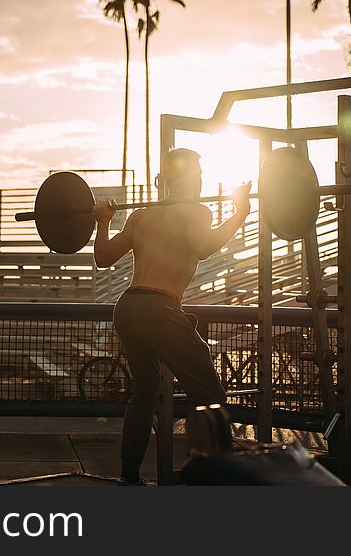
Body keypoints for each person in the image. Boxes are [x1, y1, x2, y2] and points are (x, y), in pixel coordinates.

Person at [92, 148, 252, 485]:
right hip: (159, 308)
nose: (202, 178)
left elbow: (103, 257)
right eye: (199, 172)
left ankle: (129, 476)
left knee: (144, 392)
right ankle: (214, 476)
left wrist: (103, 223)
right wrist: (240, 213)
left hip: (129, 307)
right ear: (191, 178)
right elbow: (204, 247)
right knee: (211, 395)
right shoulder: (197, 212)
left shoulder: (140, 216)